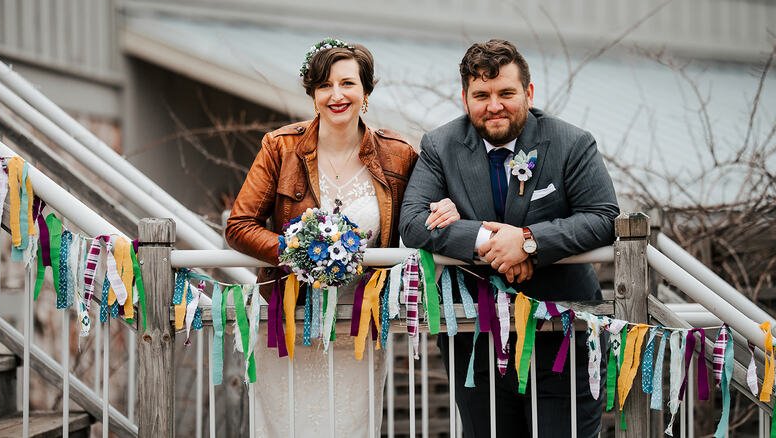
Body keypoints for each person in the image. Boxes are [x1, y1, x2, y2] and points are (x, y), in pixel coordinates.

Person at [225, 38, 456, 436]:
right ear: (312, 94)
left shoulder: (399, 155)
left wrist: (448, 208)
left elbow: (422, 220)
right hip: (289, 325)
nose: (336, 95)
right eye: (324, 85)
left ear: (365, 92)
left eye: (347, 83)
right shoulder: (280, 148)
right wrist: (293, 250)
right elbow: (239, 225)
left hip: (359, 330)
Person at [399, 39, 619, 437]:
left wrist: (530, 242)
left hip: (564, 334)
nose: (494, 105)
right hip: (476, 339)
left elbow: (603, 218)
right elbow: (413, 222)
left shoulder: (572, 143)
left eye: (506, 93)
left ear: (528, 93)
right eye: (481, 95)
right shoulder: (440, 146)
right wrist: (487, 238)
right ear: (465, 98)